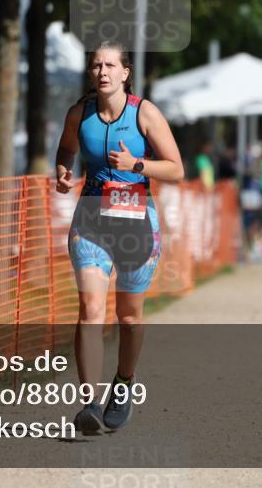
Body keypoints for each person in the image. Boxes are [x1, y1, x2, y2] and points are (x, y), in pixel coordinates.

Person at [54, 40, 184, 434]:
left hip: (136, 224)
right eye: (96, 65)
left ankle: (124, 383)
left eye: (111, 65)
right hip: (91, 221)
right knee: (91, 310)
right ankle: (90, 404)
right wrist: (62, 170)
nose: (103, 72)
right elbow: (65, 148)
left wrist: (136, 164)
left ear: (125, 73)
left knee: (129, 317)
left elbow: (176, 169)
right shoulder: (80, 112)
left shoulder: (144, 113)